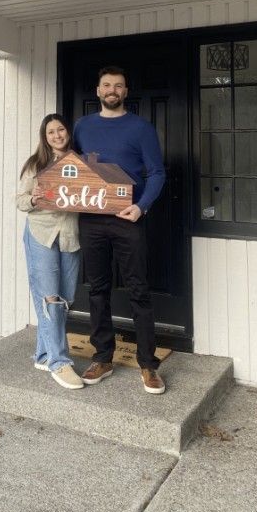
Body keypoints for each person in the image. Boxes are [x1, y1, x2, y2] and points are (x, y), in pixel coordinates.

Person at [72, 66, 167, 394]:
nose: (112, 90)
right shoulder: (82, 127)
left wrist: (141, 207)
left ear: (126, 92)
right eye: (107, 85)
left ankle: (147, 364)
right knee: (97, 289)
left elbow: (157, 173)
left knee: (139, 290)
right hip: (91, 219)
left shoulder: (141, 128)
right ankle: (103, 357)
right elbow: (70, 169)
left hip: (129, 218)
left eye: (119, 86)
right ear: (98, 91)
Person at [17, 114, 84, 389]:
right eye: (51, 132)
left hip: (70, 236)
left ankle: (43, 355)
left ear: (67, 132)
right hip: (41, 234)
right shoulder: (36, 164)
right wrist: (36, 197)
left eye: (60, 130)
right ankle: (59, 361)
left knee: (65, 298)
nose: (57, 135)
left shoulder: (81, 164)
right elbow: (20, 201)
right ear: (44, 138)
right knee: (50, 298)